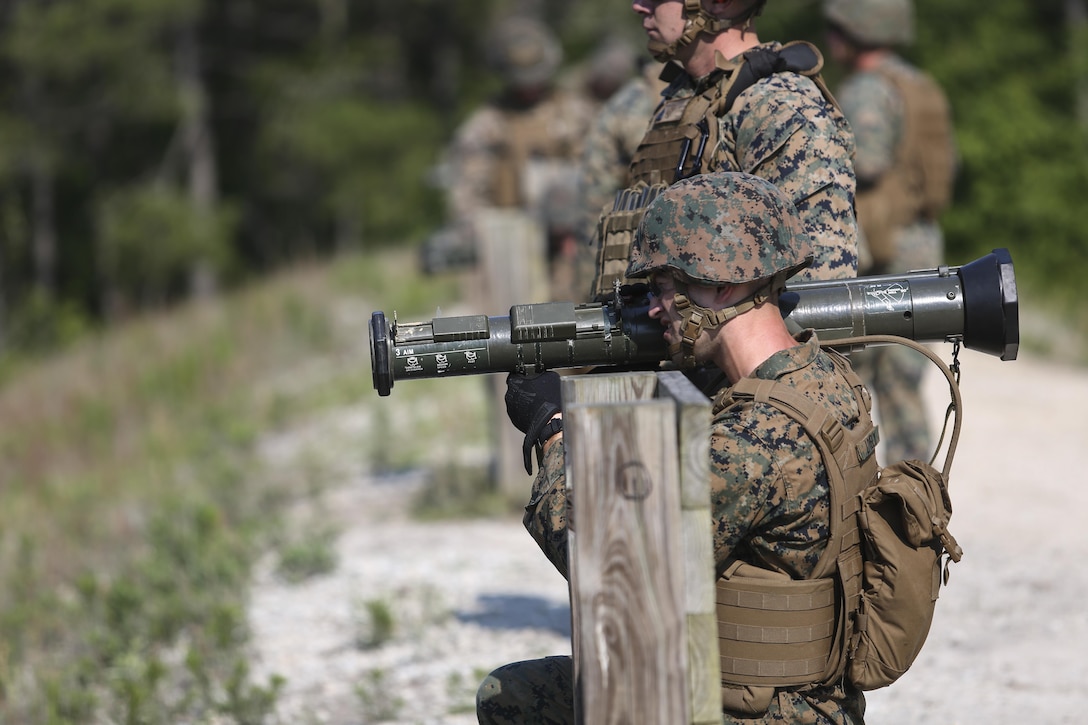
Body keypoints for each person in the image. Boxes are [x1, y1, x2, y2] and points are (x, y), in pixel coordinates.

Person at [479, 173, 873, 724]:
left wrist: (553, 432)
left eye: (666, 285)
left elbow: (606, 567)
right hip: (803, 697)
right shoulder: (825, 379)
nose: (656, 309)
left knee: (512, 700)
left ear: (723, 287)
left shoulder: (753, 439)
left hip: (759, 711)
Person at [591, 0, 859, 302]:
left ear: (719, 4)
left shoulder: (776, 106)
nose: (639, 6)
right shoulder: (687, 100)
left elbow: (820, 289)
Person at [823, 0, 957, 462]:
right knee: (905, 378)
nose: (832, 36)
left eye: (837, 27)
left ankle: (862, 495)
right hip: (920, 241)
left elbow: (869, 162)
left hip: (880, 249)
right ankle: (917, 491)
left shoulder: (867, 90)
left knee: (851, 375)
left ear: (855, 31)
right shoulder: (919, 84)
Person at [442, 15, 598, 303]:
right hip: (513, 243)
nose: (529, 87)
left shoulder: (577, 112)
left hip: (575, 239)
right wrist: (471, 231)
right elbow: (466, 191)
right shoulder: (486, 125)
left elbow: (603, 170)